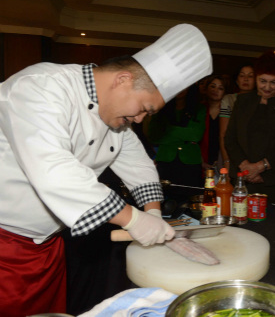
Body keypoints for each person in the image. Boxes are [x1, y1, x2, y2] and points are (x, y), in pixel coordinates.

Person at [0, 24, 212, 316]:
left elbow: (138, 164)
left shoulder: (115, 116)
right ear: (123, 80)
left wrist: (152, 213)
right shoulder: (40, 87)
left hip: (47, 246)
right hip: (4, 243)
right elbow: (54, 171)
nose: (139, 120)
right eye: (144, 108)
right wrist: (134, 220)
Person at [225, 51, 275, 207]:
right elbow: (230, 138)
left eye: (274, 82)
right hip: (242, 178)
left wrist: (260, 168)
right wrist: (246, 168)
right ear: (256, 77)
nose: (267, 87)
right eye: (263, 81)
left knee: (273, 227)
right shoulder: (243, 101)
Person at [148, 85, 206, 188]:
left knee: (191, 195)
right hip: (165, 159)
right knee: (166, 199)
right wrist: (184, 136)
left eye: (184, 86)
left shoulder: (199, 108)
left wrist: (168, 130)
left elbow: (196, 135)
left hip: (190, 160)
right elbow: (154, 136)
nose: (180, 89)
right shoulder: (161, 108)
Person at [219, 64, 255, 170]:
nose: (246, 79)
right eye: (242, 75)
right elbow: (223, 134)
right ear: (237, 80)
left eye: (250, 76)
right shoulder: (229, 99)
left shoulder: (261, 100)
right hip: (231, 153)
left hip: (254, 155)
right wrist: (226, 160)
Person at [200, 75, 227, 171]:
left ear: (224, 93)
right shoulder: (199, 109)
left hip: (221, 161)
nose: (215, 90)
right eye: (212, 86)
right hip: (201, 160)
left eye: (220, 88)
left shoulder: (228, 112)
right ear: (206, 88)